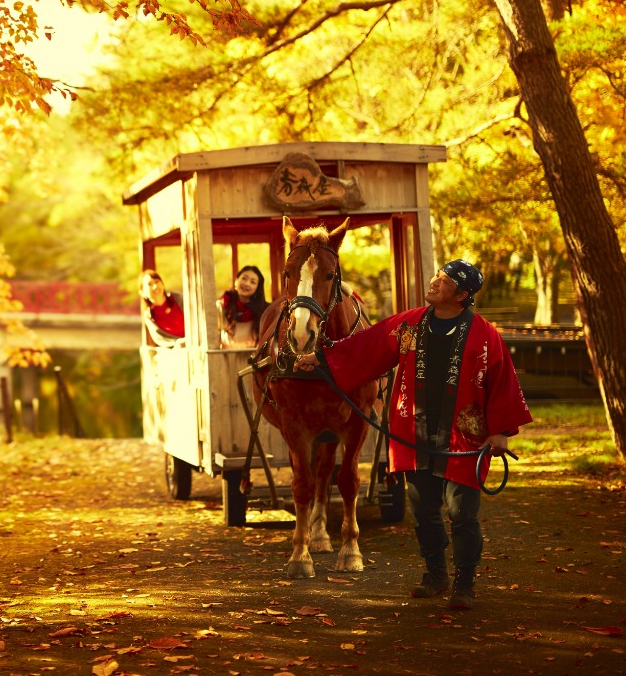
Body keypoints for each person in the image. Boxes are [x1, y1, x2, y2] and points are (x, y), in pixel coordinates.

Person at [293, 259, 531, 610]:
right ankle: (436, 574)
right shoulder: (409, 324)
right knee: (424, 511)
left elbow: (502, 382)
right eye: (436, 274)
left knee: (462, 513)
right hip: (414, 435)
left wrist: (500, 433)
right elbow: (367, 347)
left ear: (463, 295)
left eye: (445, 280)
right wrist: (321, 358)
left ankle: (465, 582)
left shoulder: (484, 335)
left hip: (464, 440)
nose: (434, 281)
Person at [218, 265, 269, 348]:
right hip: (226, 359)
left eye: (253, 282)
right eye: (244, 278)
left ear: (257, 288)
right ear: (236, 280)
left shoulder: (264, 310)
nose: (247, 284)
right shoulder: (221, 306)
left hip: (253, 359)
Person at [139, 269, 184, 347]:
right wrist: (178, 343)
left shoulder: (179, 299)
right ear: (142, 292)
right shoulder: (149, 316)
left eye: (157, 281)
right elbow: (161, 340)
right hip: (177, 351)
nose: (155, 286)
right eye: (149, 284)